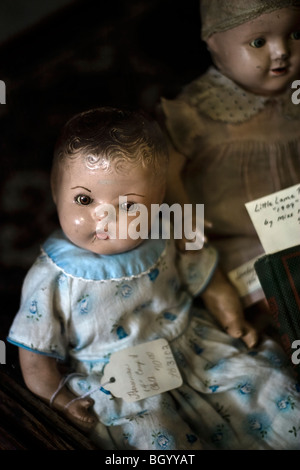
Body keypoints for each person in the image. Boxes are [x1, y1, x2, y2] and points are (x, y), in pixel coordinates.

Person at [7, 107, 300, 450]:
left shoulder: (166, 238)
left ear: (159, 203)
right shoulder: (53, 276)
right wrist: (62, 400)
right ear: (56, 191)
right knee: (154, 437)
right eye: (84, 199)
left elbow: (207, 279)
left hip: (195, 346)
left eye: (128, 205)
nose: (102, 218)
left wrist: (233, 319)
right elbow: (35, 357)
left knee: (268, 385)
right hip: (121, 377)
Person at [160, 0, 300, 338]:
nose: (281, 52)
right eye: (258, 42)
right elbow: (166, 180)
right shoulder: (197, 113)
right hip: (235, 240)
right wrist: (190, 240)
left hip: (294, 223)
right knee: (280, 303)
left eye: (295, 34)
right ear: (214, 44)